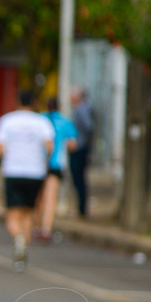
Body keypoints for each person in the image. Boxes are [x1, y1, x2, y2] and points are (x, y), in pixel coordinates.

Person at [0, 90, 54, 272]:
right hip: (35, 172)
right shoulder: (42, 122)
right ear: (34, 103)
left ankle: (18, 239)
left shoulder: (7, 120)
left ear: (18, 101)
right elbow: (49, 146)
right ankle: (24, 245)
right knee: (28, 212)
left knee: (13, 213)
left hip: (13, 171)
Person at [35, 96, 78, 240]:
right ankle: (46, 229)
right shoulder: (65, 121)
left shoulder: (39, 119)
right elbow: (73, 145)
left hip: (38, 163)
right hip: (56, 164)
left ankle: (36, 225)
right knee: (50, 197)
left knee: (38, 197)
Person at [69, 86, 94, 218]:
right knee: (78, 179)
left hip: (79, 148)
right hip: (80, 147)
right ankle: (81, 208)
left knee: (79, 179)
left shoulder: (82, 109)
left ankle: (82, 209)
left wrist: (81, 142)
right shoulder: (80, 108)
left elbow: (89, 127)